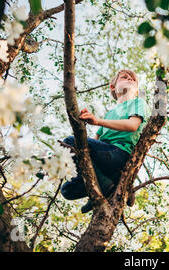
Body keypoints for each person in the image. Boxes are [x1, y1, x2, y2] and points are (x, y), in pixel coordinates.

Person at [60, 70, 148, 213]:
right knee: (66, 190)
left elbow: (133, 126)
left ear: (137, 90)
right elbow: (93, 143)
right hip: (104, 160)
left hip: (120, 154)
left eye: (133, 79)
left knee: (70, 140)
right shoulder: (109, 114)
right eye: (124, 77)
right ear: (113, 87)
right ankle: (108, 184)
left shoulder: (138, 103)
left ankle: (106, 185)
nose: (130, 79)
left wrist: (98, 121)